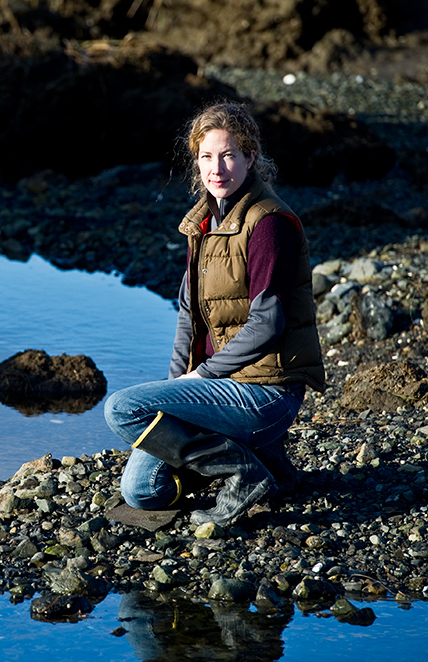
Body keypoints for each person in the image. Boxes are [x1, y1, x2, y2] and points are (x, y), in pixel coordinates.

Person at [104, 102, 326, 526]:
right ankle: (267, 461)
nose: (217, 168)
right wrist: (174, 390)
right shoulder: (203, 224)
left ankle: (241, 472)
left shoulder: (269, 223)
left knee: (120, 409)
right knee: (142, 491)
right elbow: (189, 319)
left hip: (265, 392)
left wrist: (201, 378)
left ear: (250, 158)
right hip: (219, 388)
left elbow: (268, 322)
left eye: (228, 155)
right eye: (206, 156)